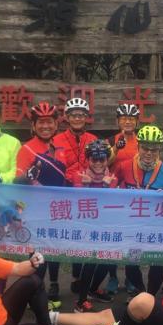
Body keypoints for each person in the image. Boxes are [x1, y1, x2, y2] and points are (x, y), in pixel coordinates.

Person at [15, 101, 68, 306]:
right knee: (38, 258)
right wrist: (27, 176)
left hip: (56, 210)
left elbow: (67, 176)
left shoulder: (60, 147)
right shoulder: (27, 149)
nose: (45, 126)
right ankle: (34, 296)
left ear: (56, 124)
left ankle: (51, 287)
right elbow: (16, 181)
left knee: (54, 251)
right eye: (41, 122)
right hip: (35, 212)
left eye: (49, 122)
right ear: (34, 125)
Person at [115, 125, 163, 296]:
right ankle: (140, 292)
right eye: (145, 148)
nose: (149, 153)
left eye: (154, 150)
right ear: (138, 146)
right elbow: (112, 188)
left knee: (156, 263)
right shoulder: (124, 166)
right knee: (131, 264)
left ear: (159, 150)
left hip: (156, 226)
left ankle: (151, 295)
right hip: (132, 226)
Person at [52, 97, 98, 293]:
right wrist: (75, 176)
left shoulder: (93, 139)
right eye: (74, 115)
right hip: (63, 194)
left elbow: (100, 165)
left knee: (81, 237)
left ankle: (77, 278)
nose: (77, 118)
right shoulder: (56, 140)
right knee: (56, 239)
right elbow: (55, 167)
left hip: (86, 197)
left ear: (86, 117)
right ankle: (53, 282)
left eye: (81, 115)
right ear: (67, 117)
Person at [68, 140, 119, 311]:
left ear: (107, 160)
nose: (98, 163)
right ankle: (81, 301)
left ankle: (93, 289)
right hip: (85, 225)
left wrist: (105, 185)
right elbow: (79, 202)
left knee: (107, 260)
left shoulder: (113, 178)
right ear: (88, 159)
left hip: (105, 226)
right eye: (94, 159)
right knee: (89, 262)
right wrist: (86, 185)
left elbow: (110, 203)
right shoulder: (79, 175)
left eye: (102, 159)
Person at [105, 102, 142, 295]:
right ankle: (112, 277)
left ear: (136, 122)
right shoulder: (110, 140)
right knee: (114, 237)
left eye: (131, 119)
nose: (128, 122)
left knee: (133, 238)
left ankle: (131, 277)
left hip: (135, 195)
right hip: (114, 195)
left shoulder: (141, 141)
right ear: (118, 121)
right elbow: (104, 162)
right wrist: (116, 149)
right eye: (124, 118)